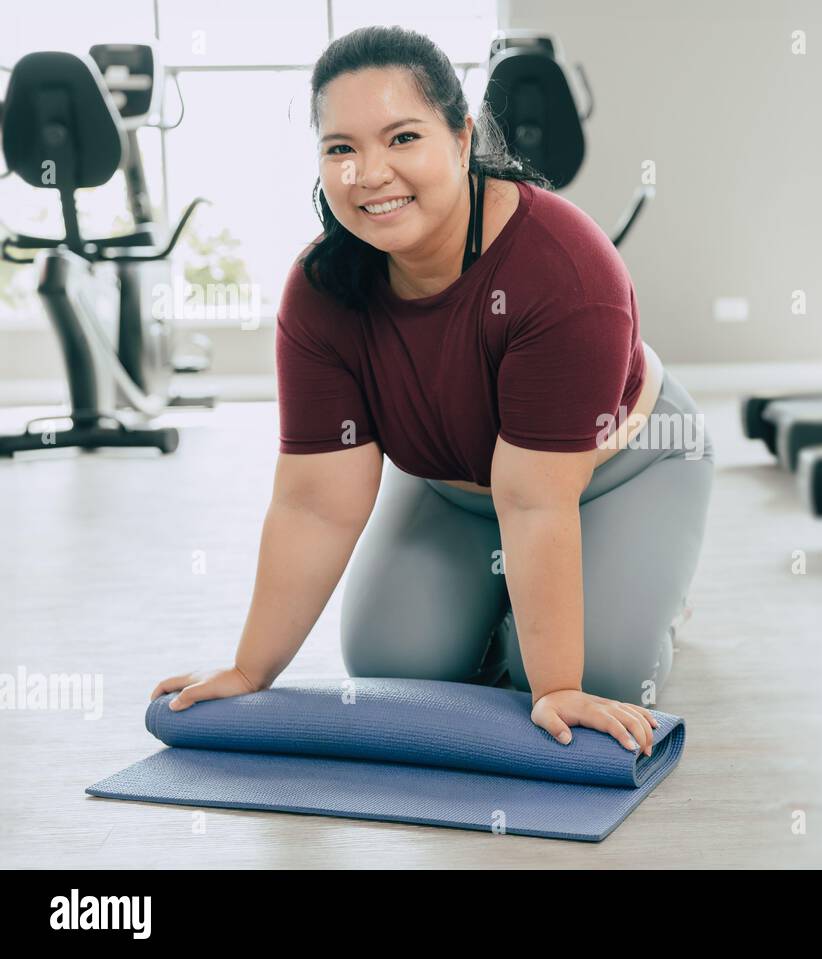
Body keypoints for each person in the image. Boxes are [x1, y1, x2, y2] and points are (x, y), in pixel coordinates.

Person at [150, 25, 714, 757]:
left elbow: (535, 498)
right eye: (341, 149)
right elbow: (317, 502)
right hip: (456, 489)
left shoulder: (565, 273)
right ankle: (510, 603)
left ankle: (646, 597)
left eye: (402, 138)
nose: (369, 173)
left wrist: (554, 685)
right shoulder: (322, 288)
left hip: (621, 473)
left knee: (601, 674)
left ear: (461, 137)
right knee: (396, 666)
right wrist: (250, 666)